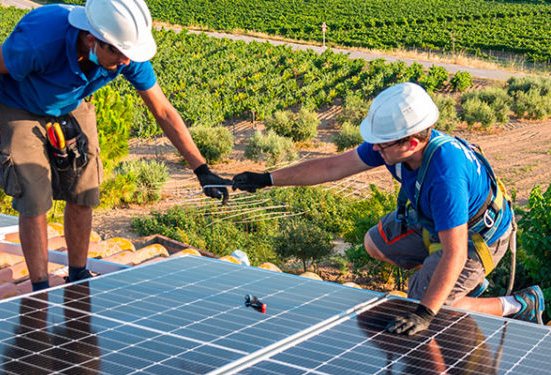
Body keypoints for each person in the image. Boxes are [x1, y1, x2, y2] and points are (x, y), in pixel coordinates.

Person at [232, 82, 544, 335]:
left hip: (477, 239)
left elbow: (456, 253)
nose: (375, 150)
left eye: (383, 145)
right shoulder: (393, 146)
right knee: (374, 243)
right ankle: (445, 281)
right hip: (434, 223)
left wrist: (424, 311)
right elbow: (330, 167)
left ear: (411, 143)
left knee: (429, 304)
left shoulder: (445, 176)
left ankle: (517, 304)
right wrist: (266, 179)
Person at [0, 0, 230, 291]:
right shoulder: (41, 39)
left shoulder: (126, 51)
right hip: (19, 104)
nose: (126, 62)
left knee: (84, 188)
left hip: (69, 102)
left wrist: (202, 170)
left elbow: (163, 111)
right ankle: (41, 288)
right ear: (92, 40)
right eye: (120, 54)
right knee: (33, 197)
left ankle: (77, 273)